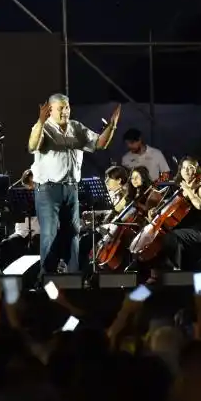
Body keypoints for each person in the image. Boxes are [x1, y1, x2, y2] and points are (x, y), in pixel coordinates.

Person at [28, 93, 120, 274]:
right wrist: (40, 121)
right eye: (61, 108)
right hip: (48, 189)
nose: (65, 111)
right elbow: (32, 146)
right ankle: (47, 279)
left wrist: (112, 126)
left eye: (67, 107)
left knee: (73, 235)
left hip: (71, 189)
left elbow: (100, 143)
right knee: (50, 234)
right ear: (50, 110)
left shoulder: (77, 128)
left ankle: (73, 277)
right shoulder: (43, 127)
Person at [160, 157, 201, 271]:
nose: (187, 170)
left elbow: (200, 205)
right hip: (183, 229)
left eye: (190, 167)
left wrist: (188, 190)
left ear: (196, 170)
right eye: (184, 168)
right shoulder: (179, 190)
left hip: (199, 230)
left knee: (171, 236)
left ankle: (176, 270)